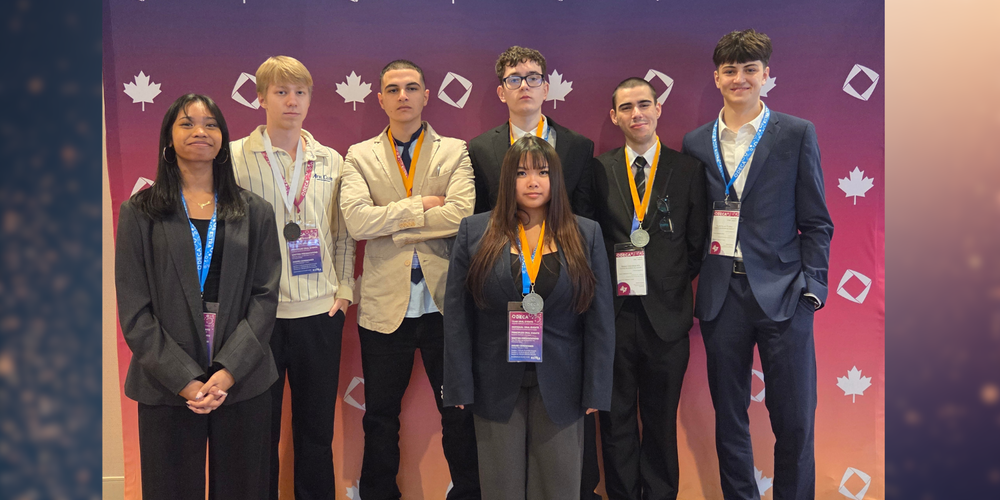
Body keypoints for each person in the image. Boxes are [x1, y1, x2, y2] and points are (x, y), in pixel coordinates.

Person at [681, 29, 834, 500]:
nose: (740, 79)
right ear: (717, 77)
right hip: (721, 296)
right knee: (730, 417)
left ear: (767, 75)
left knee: (794, 419)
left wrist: (812, 288)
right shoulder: (695, 142)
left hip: (785, 295)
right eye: (731, 70)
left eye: (750, 70)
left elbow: (817, 222)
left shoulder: (796, 132)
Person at [115, 93, 281, 500]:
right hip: (166, 384)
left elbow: (265, 296)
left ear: (222, 138)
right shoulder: (140, 211)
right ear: (168, 140)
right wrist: (185, 380)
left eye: (210, 124)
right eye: (186, 123)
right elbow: (135, 310)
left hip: (242, 381)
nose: (200, 132)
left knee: (246, 488)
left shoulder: (254, 211)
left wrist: (227, 372)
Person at [443, 135, 615, 500]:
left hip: (564, 382)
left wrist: (596, 386)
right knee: (500, 488)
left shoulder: (586, 233)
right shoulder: (474, 232)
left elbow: (600, 321)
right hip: (493, 381)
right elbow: (458, 316)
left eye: (543, 172)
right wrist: (459, 383)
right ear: (508, 180)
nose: (533, 182)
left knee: (559, 486)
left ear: (557, 179)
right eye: (521, 173)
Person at [339, 59, 480, 500]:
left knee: (458, 411)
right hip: (384, 307)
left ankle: (470, 493)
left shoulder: (455, 150)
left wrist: (392, 222)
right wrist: (421, 206)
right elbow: (358, 223)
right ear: (379, 98)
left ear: (426, 95)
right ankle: (380, 494)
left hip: (445, 305)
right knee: (379, 414)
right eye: (393, 89)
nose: (403, 96)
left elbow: (461, 215)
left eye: (411, 87)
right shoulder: (358, 154)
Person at [230, 55, 356, 500]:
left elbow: (340, 233)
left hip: (319, 311)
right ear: (261, 97)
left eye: (300, 92)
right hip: (256, 317)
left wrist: (343, 292)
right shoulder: (234, 159)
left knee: (316, 431)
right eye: (281, 92)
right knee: (257, 432)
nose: (292, 101)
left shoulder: (330, 159)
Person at [592, 78, 708, 500]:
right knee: (616, 421)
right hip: (614, 320)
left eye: (644, 104)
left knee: (660, 422)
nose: (636, 113)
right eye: (626, 107)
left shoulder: (688, 169)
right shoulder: (597, 169)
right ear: (614, 116)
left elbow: (695, 246)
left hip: (667, 320)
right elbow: (592, 242)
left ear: (659, 109)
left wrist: (665, 281)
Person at [469, 46, 595, 220]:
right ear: (501, 93)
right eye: (514, 80)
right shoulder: (480, 148)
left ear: (545, 90)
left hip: (562, 243)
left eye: (533, 78)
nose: (524, 86)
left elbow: (583, 214)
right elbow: (481, 214)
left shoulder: (578, 146)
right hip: (503, 244)